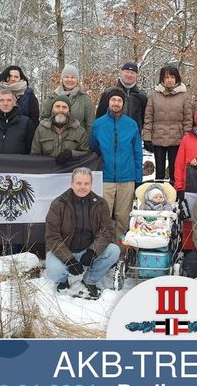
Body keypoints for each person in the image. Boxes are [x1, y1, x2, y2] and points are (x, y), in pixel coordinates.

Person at [44, 167, 120, 298]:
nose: (82, 187)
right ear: (72, 183)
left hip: (88, 250)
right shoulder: (59, 204)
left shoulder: (100, 204)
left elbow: (106, 230)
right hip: (65, 250)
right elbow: (52, 237)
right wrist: (69, 260)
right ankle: (62, 281)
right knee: (54, 271)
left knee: (114, 250)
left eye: (86, 183)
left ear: (91, 184)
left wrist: (92, 251)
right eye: (79, 183)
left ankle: (89, 280)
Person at [90, 87, 143, 239]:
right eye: (113, 100)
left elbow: (137, 153)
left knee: (122, 216)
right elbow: (93, 148)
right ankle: (102, 246)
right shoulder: (98, 124)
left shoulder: (131, 124)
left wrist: (138, 179)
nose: (116, 103)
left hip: (126, 177)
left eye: (119, 100)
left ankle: (121, 250)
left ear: (123, 104)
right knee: (103, 216)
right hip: (105, 178)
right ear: (108, 102)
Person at [142, 64, 193, 185]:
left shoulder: (184, 96)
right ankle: (158, 196)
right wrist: (147, 137)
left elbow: (187, 119)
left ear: (177, 78)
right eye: (166, 77)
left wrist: (187, 138)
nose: (169, 80)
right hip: (158, 138)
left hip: (177, 139)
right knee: (159, 171)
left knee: (175, 170)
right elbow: (148, 117)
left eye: (172, 77)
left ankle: (175, 197)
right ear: (162, 79)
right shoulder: (154, 95)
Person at [41, 64, 95, 136]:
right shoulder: (52, 97)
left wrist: (86, 143)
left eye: (73, 77)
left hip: (77, 142)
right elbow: (44, 119)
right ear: (62, 79)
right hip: (54, 142)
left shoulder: (85, 99)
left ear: (77, 80)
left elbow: (90, 125)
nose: (70, 80)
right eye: (66, 77)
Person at [31, 95, 89, 163]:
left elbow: (86, 154)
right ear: (52, 109)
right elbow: (34, 155)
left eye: (64, 107)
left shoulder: (80, 132)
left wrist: (71, 154)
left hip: (69, 171)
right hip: (47, 171)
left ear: (69, 111)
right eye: (57, 107)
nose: (61, 110)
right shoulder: (41, 130)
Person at [95, 62, 148, 132]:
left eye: (132, 73)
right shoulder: (109, 93)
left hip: (132, 137)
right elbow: (99, 117)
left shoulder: (142, 96)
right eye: (127, 72)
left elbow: (145, 120)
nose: (129, 75)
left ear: (137, 75)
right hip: (110, 136)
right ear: (121, 73)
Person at [0, 90, 35, 154]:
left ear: (14, 102)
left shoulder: (26, 123)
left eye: (9, 100)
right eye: (2, 100)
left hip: (18, 163)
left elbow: (30, 148)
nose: (5, 103)